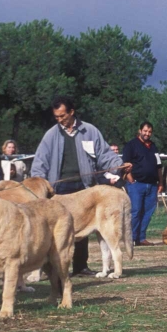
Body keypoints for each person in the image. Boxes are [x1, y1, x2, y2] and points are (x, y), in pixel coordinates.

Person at [31, 96, 126, 276]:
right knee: (52, 230)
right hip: (57, 190)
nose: (59, 120)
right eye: (56, 117)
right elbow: (40, 162)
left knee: (83, 227)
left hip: (84, 187)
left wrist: (120, 166)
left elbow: (105, 155)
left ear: (72, 112)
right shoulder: (51, 135)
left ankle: (80, 267)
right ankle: (48, 269)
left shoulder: (89, 131)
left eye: (62, 116)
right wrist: (39, 186)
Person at [123, 122, 163, 246]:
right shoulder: (131, 145)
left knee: (148, 212)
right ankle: (131, 239)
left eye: (149, 132)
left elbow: (158, 167)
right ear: (140, 130)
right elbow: (125, 165)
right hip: (137, 184)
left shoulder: (153, 146)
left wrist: (160, 182)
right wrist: (132, 181)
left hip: (151, 185)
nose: (147, 134)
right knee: (135, 211)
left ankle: (141, 238)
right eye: (145, 131)